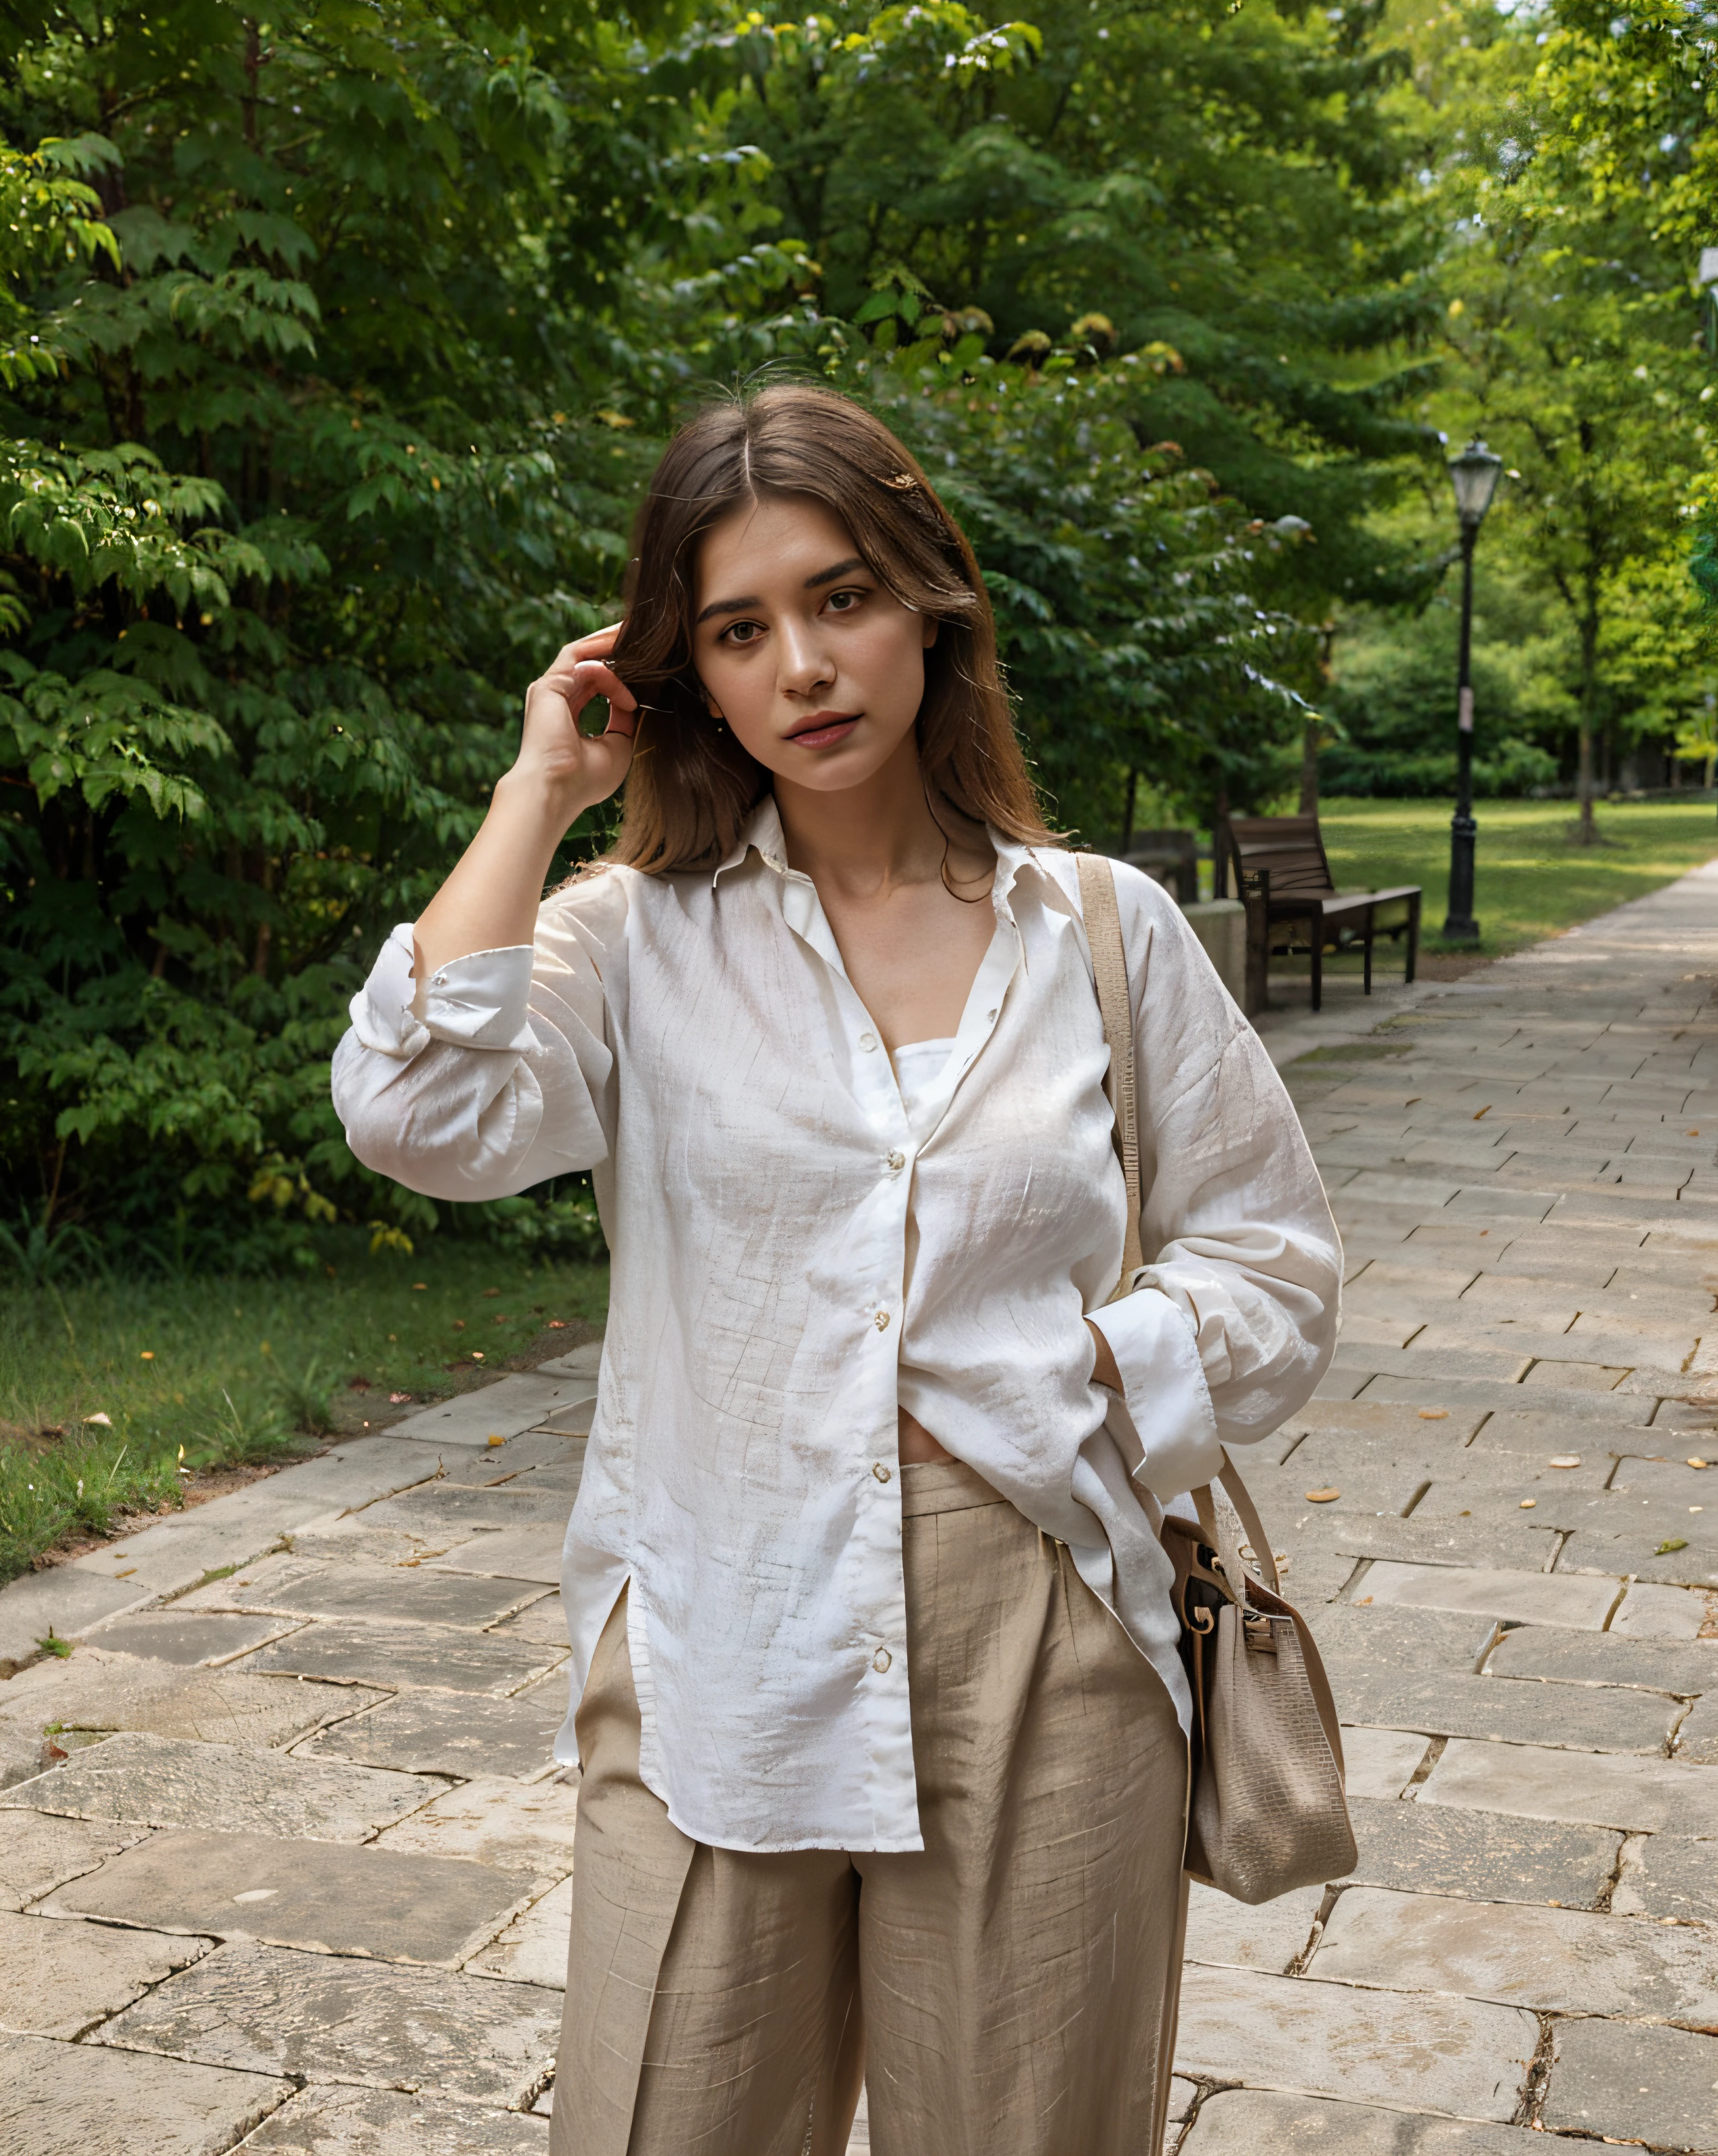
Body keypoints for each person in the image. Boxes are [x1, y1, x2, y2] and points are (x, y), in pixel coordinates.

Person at [332, 383, 1340, 2156]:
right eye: (739, 629)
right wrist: (539, 786)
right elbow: (417, 1111)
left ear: (932, 606)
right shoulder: (632, 945)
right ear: (686, 675)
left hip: (1048, 1627)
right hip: (723, 1626)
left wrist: (1086, 1378)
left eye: (842, 598)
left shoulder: (1100, 930)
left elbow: (1273, 1261)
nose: (802, 664)